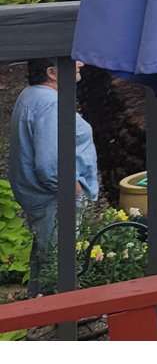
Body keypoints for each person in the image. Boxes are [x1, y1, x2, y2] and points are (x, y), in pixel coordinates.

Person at [8, 59, 100, 296]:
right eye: (71, 61)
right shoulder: (50, 103)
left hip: (42, 198)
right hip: (55, 199)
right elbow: (50, 164)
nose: (80, 63)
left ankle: (37, 320)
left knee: (45, 262)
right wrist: (74, 189)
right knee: (61, 267)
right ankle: (61, 326)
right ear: (51, 72)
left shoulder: (31, 95)